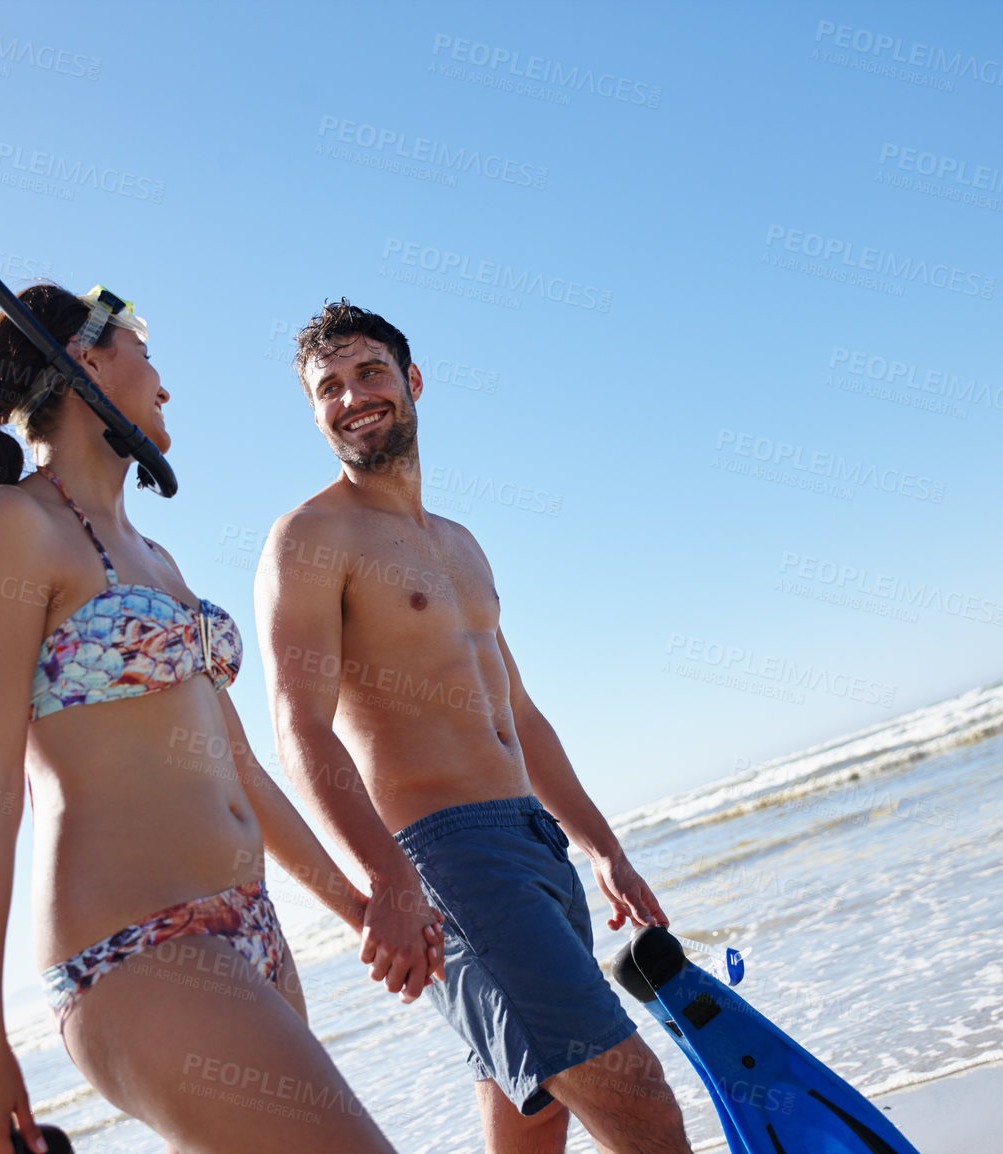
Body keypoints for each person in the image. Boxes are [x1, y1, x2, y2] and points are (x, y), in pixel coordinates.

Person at [0, 283, 437, 1154]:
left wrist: (362, 911)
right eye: (144, 357)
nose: (163, 387)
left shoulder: (156, 555)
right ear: (85, 361)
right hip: (138, 950)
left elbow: (238, 768)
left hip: (254, 933)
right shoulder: (8, 527)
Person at [256, 300, 694, 1154]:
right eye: (329, 388)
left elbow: (518, 716)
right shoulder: (310, 538)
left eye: (370, 373)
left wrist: (600, 847)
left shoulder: (458, 543)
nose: (352, 397)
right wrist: (387, 878)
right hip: (447, 857)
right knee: (634, 1095)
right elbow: (297, 727)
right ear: (315, 414)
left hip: (535, 844)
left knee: (535, 1109)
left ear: (412, 382)